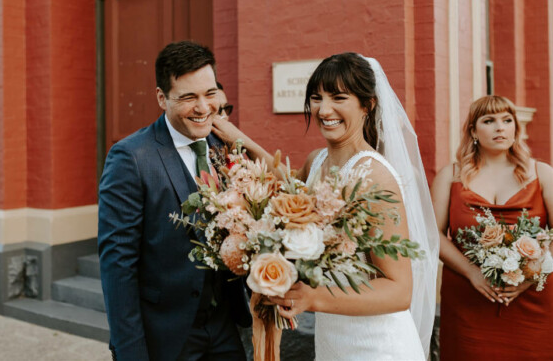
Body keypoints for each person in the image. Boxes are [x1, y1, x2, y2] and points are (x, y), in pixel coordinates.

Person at [213, 52, 439, 360]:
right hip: (334, 337)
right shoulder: (316, 159)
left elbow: (399, 291)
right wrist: (238, 139)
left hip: (376, 344)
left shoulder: (374, 176)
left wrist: (313, 297)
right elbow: (286, 182)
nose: (324, 109)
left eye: (339, 97)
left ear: (367, 105)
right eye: (317, 97)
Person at [98, 41, 251, 361]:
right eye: (188, 97)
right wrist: (131, 352)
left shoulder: (223, 145)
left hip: (224, 325)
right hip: (165, 334)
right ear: (161, 98)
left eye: (210, 94)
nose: (203, 107)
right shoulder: (130, 157)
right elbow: (118, 264)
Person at [431, 95, 553, 360]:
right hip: (468, 298)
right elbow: (434, 235)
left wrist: (529, 276)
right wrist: (473, 272)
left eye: (507, 120)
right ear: (473, 131)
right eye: (489, 120)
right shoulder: (450, 176)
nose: (500, 127)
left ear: (515, 129)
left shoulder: (542, 173)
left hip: (533, 300)